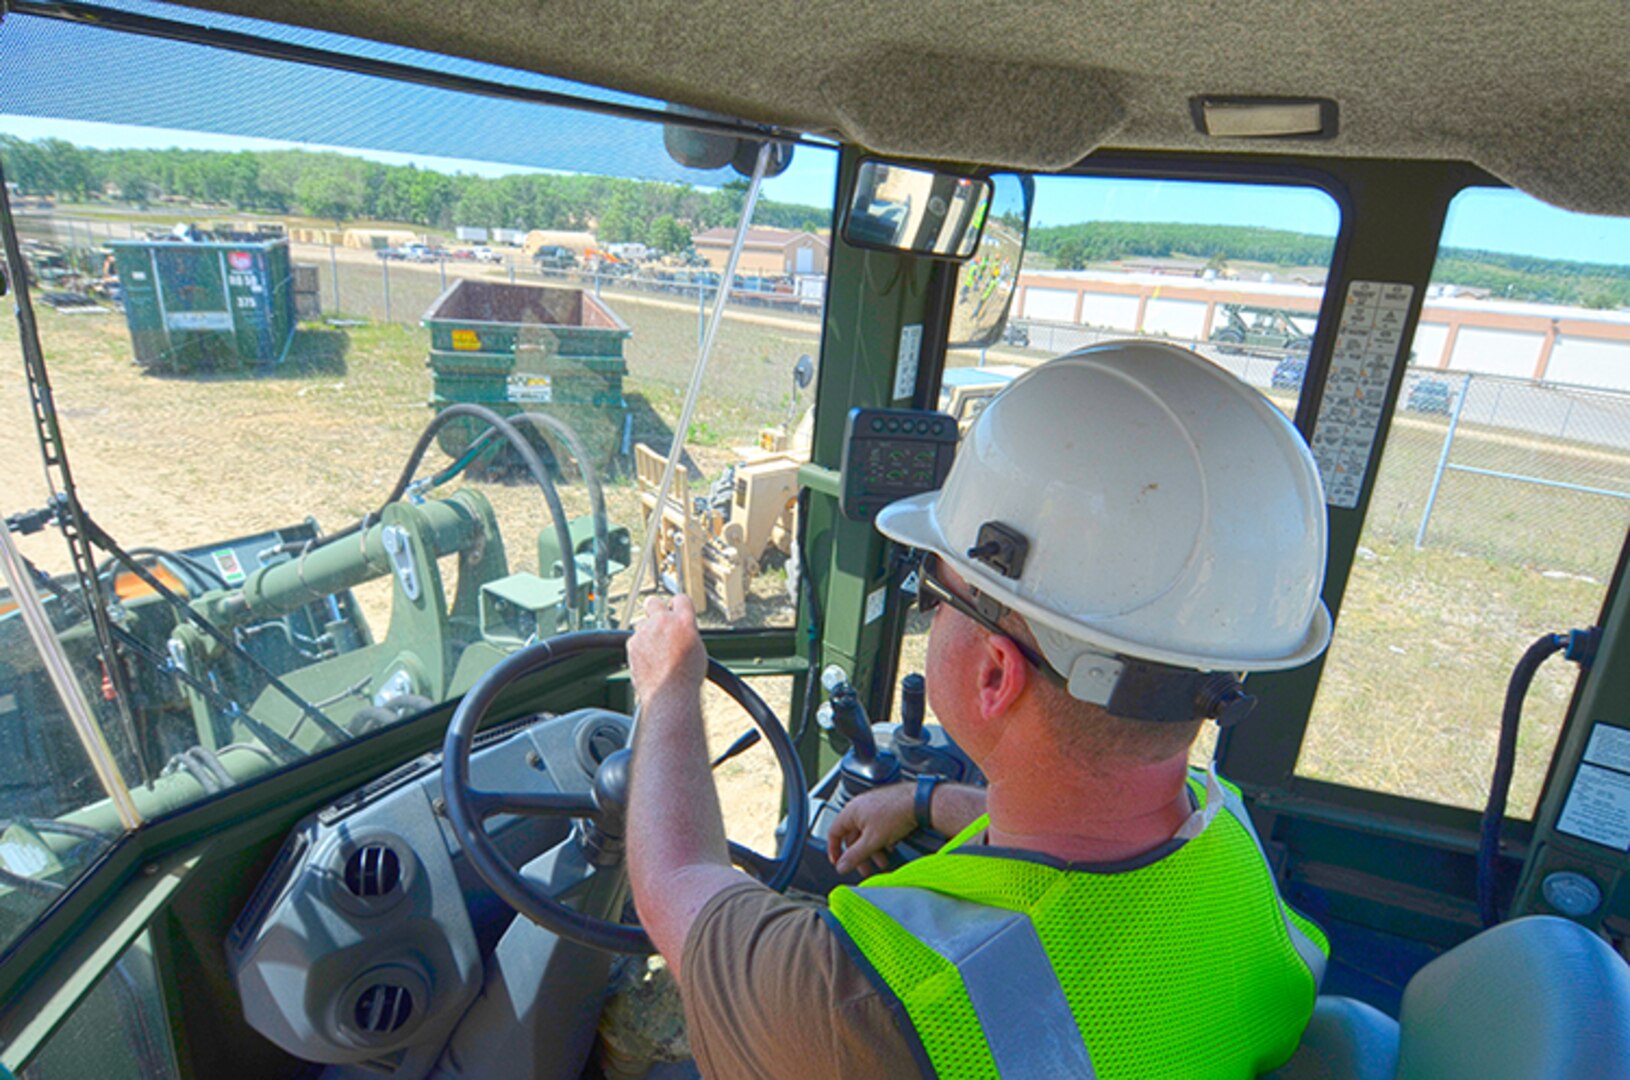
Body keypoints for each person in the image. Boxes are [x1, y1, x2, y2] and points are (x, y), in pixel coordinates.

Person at [626, 340, 1335, 1078]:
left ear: (997, 673)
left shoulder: (863, 1001)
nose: (928, 618)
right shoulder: (1230, 834)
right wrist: (928, 800)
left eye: (933, 594)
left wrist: (668, 685)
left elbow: (675, 881)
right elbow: (1086, 853)